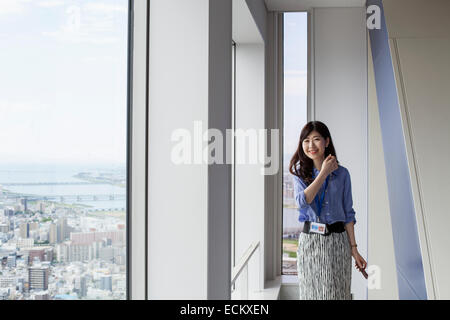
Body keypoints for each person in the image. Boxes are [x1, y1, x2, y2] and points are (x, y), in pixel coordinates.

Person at [289, 120, 367, 300]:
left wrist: (354, 249)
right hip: (311, 243)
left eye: (316, 139)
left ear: (327, 141)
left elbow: (348, 213)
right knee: (312, 294)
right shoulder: (299, 173)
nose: (311, 145)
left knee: (338, 294)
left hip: (338, 243)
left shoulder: (343, 174)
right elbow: (302, 201)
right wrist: (323, 173)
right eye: (306, 141)